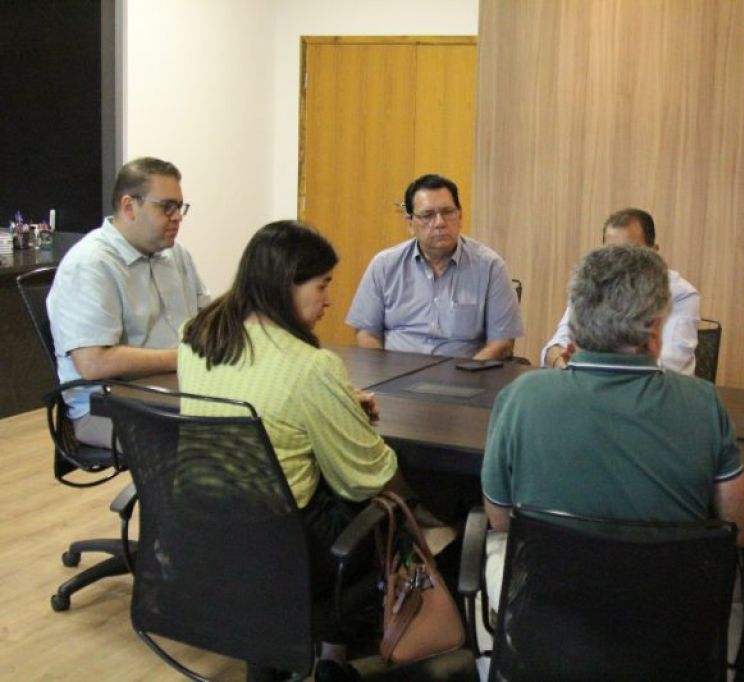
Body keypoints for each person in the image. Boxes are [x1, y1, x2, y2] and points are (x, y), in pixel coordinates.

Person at [178, 221, 409, 680]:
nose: (329, 300)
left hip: (205, 536)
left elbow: (260, 407)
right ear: (286, 284)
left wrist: (335, 404)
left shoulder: (196, 337)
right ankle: (334, 659)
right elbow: (365, 477)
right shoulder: (311, 367)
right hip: (287, 552)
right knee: (396, 508)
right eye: (322, 286)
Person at [482, 244, 744, 606]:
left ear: (575, 326)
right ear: (655, 330)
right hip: (665, 633)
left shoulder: (520, 396)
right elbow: (742, 530)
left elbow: (500, 519)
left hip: (544, 631)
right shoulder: (703, 403)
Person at [47, 157, 208, 448]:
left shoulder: (176, 255)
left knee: (270, 415)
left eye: (180, 207)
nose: (177, 217)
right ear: (128, 207)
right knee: (230, 440)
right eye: (166, 207)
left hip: (174, 392)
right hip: (108, 409)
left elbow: (206, 319)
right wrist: (182, 358)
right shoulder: (90, 264)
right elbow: (93, 363)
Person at [346, 173, 524, 360]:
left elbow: (502, 341)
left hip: (464, 378)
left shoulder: (490, 267)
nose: (439, 223)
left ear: (460, 216)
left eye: (447, 212)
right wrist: (381, 375)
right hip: (394, 380)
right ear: (410, 223)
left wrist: (469, 373)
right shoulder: (384, 265)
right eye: (428, 215)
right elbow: (367, 333)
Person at [540, 208, 701, 374]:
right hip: (594, 386)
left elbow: (670, 367)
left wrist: (588, 364)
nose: (619, 264)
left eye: (630, 253)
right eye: (611, 254)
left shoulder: (681, 294)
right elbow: (553, 348)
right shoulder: (593, 285)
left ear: (654, 253)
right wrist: (562, 362)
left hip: (657, 393)